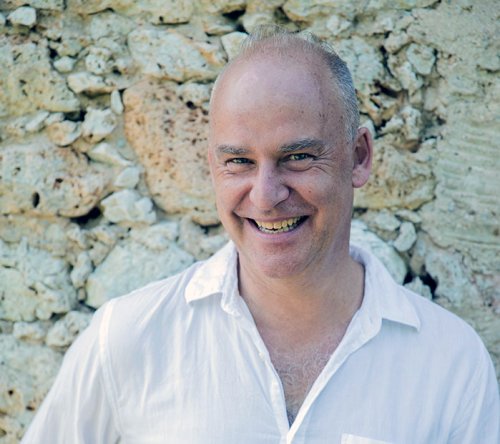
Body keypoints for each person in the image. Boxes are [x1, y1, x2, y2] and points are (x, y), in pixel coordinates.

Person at [22, 27, 498, 443]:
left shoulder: (450, 361)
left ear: (359, 157)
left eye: (298, 157)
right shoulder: (128, 339)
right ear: (214, 167)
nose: (266, 196)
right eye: (239, 162)